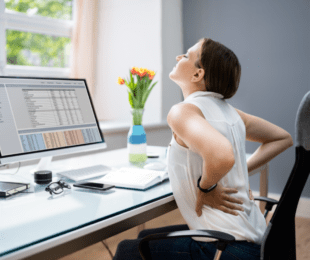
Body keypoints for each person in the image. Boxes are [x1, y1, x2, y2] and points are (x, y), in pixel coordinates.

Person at [113, 38, 293, 260]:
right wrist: (238, 172)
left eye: (187, 55)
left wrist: (206, 188)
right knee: (146, 235)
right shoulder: (232, 113)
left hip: (223, 249)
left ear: (198, 74)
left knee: (125, 250)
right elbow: (282, 138)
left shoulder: (183, 111)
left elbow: (221, 155)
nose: (179, 57)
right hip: (257, 243)